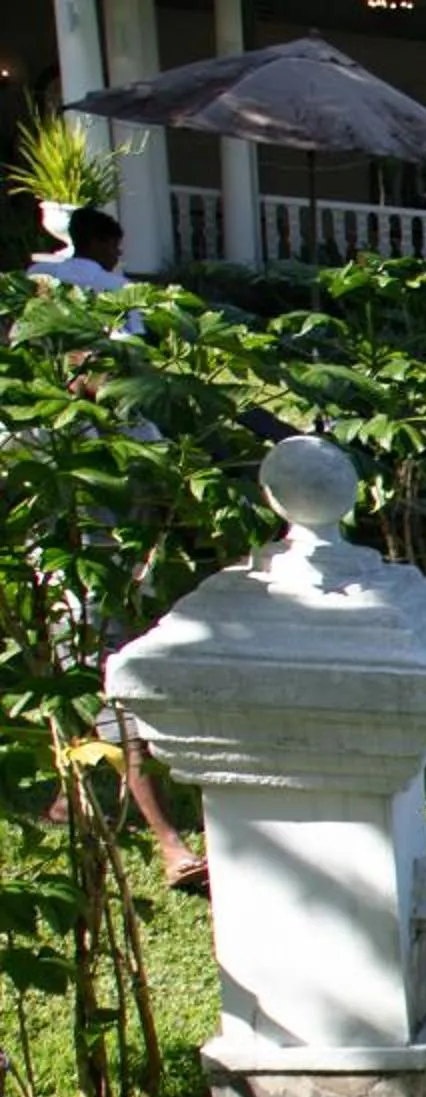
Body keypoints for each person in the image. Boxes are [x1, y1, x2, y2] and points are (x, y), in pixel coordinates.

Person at [28, 210, 203, 890]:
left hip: (123, 576)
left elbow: (165, 490)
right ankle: (157, 834)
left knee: (115, 684)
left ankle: (111, 810)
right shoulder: (41, 432)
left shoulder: (133, 419)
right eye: (84, 358)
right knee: (99, 685)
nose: (95, 370)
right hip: (69, 575)